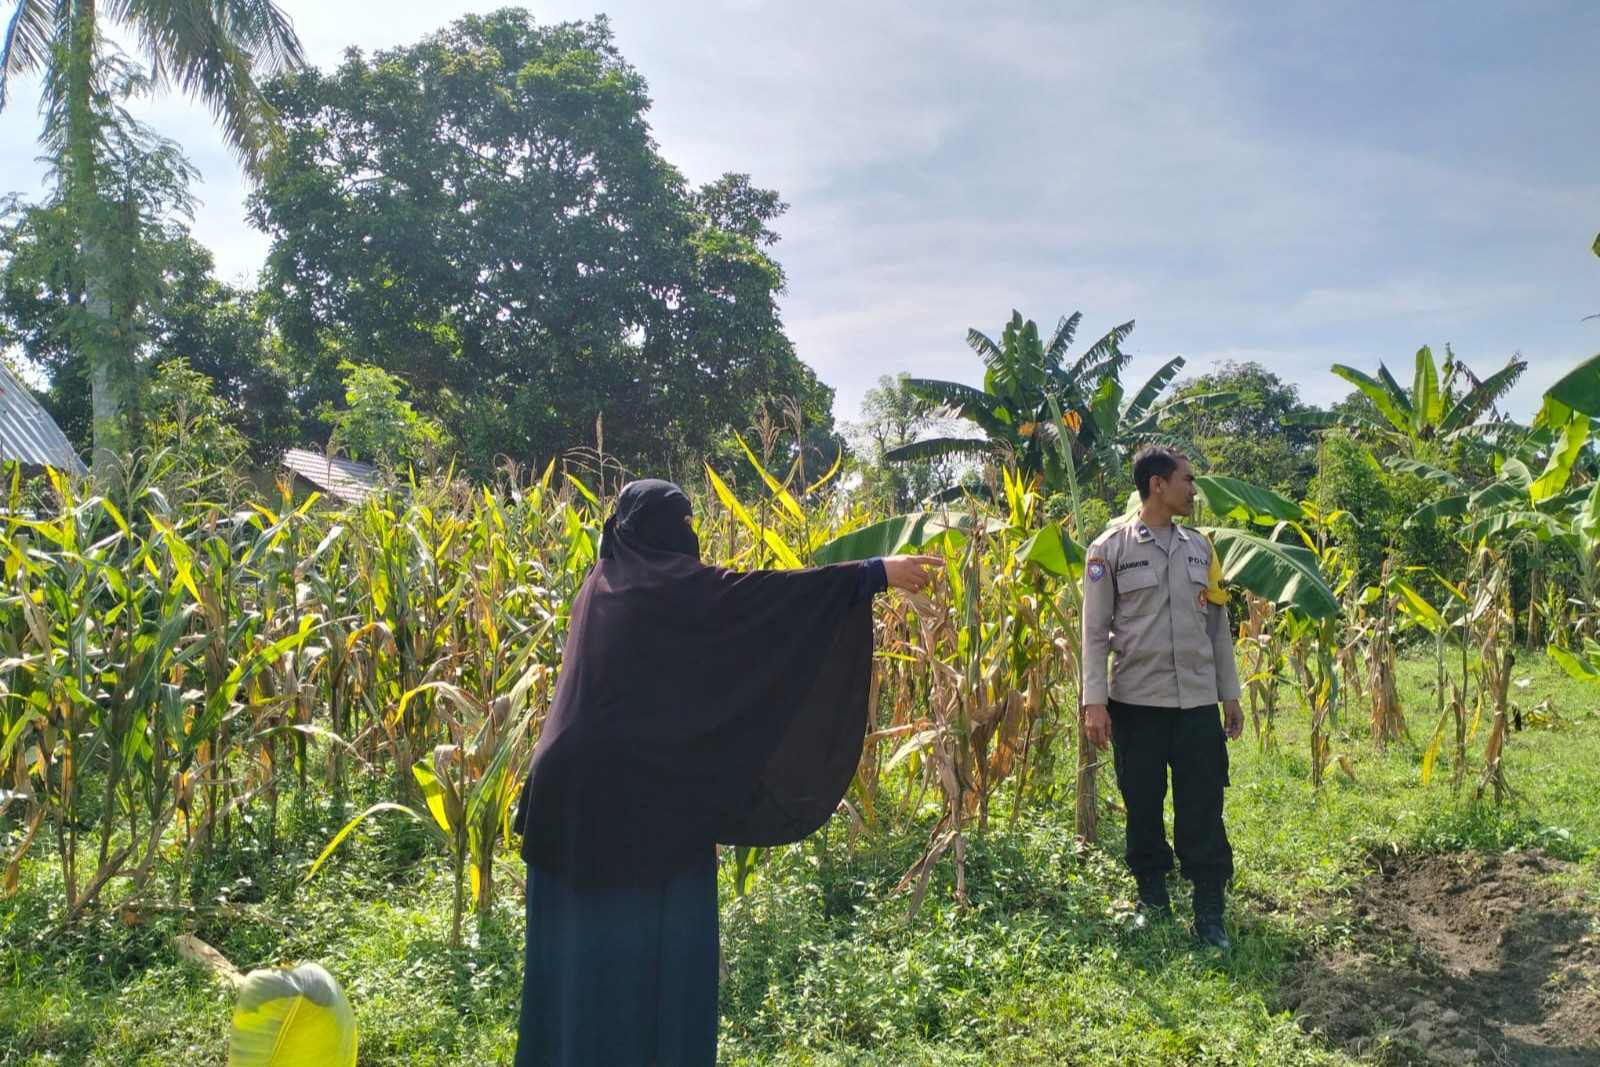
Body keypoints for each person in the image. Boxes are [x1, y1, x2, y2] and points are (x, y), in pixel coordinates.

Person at [513, 479, 938, 1066]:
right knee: (644, 951)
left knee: (579, 963)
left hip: (568, 798)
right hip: (629, 801)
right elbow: (759, 601)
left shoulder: (604, 584)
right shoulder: (663, 588)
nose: (692, 535)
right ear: (656, 530)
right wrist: (871, 573)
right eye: (681, 522)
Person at [1080, 446, 1244, 949]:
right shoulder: (1109, 550)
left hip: (1196, 704)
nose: (1194, 490)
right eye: (1187, 480)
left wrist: (1230, 695)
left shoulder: (1202, 549)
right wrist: (1094, 701)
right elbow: (1093, 632)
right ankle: (1152, 896)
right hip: (1138, 705)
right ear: (1158, 484)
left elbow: (1219, 628)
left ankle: (1209, 909)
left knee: (1203, 805)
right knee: (1143, 804)